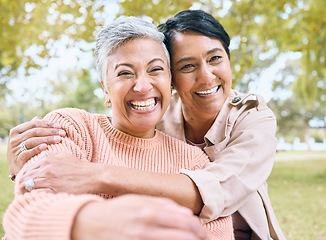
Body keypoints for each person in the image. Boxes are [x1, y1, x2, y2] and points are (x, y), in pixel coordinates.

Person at [6, 10, 285, 240]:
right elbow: (30, 208)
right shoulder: (74, 126)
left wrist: (95, 175)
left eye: (155, 69)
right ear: (105, 88)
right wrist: (25, 169)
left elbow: (214, 200)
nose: (206, 76)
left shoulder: (246, 122)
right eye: (125, 73)